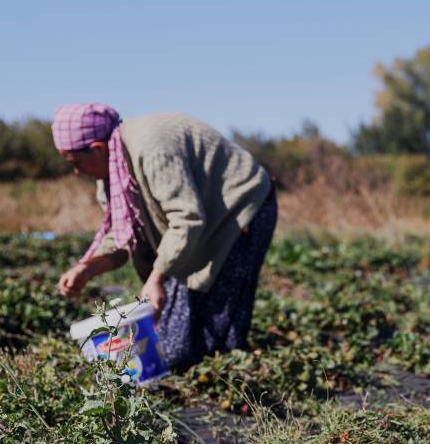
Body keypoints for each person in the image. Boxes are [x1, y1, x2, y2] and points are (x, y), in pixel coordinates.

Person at [52, 103, 277, 372]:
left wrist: (157, 279)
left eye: (75, 163)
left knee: (213, 329)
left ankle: (227, 377)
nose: (76, 172)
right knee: (173, 340)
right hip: (198, 224)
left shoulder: (153, 149)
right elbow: (124, 234)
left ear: (98, 148)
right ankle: (198, 370)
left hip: (240, 208)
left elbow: (187, 219)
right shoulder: (113, 173)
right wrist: (87, 268)